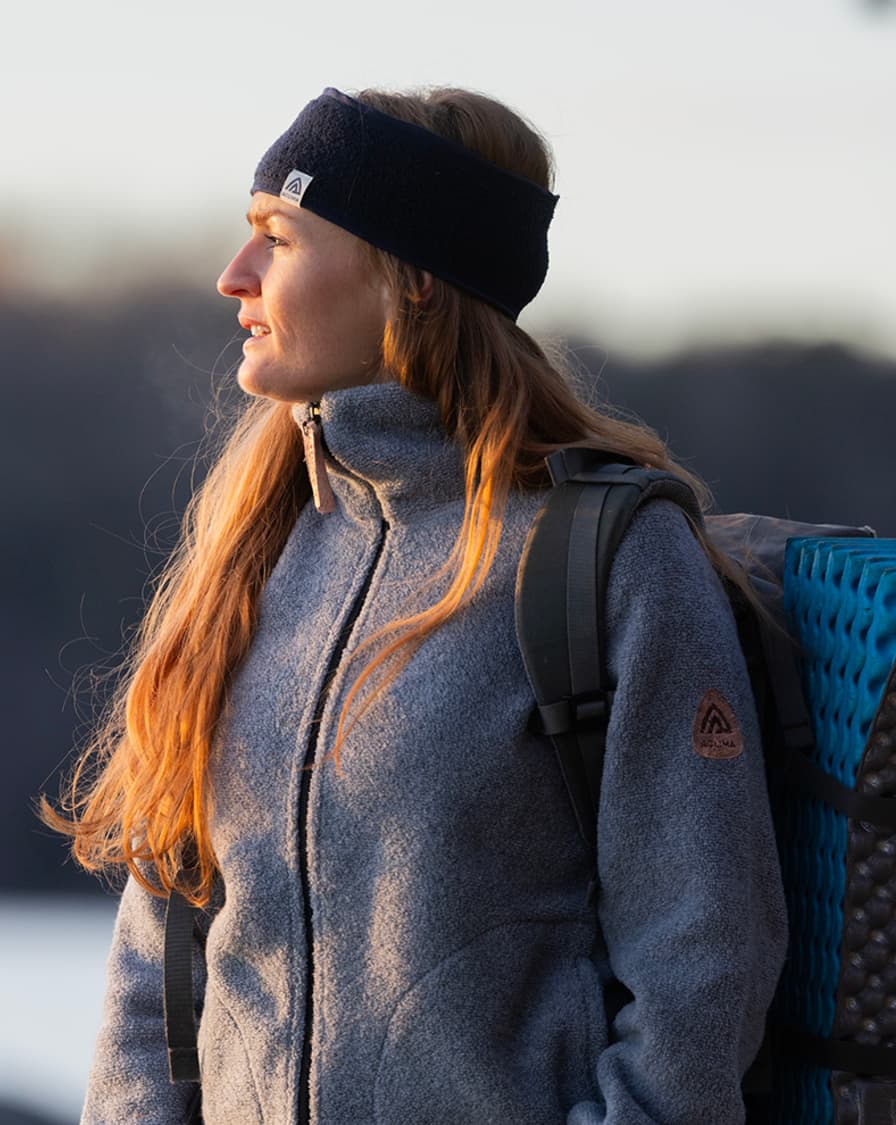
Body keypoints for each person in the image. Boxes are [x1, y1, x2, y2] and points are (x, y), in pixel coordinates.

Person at [41, 86, 788, 1125]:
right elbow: (158, 958)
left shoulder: (607, 560)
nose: (233, 275)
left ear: (412, 277)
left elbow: (700, 963)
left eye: (278, 237)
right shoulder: (256, 546)